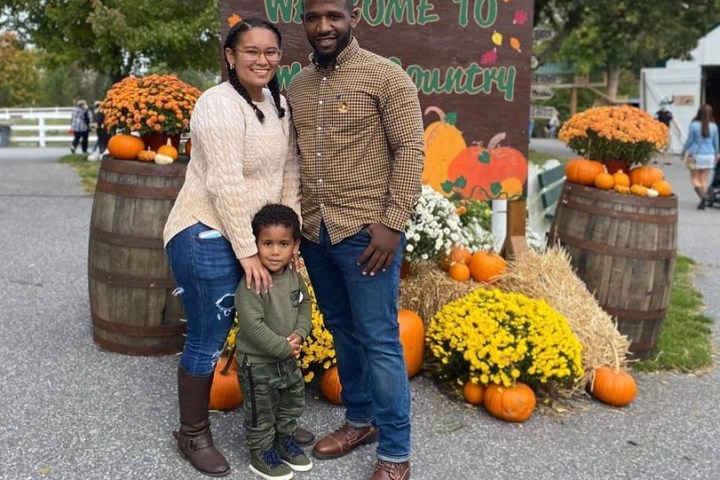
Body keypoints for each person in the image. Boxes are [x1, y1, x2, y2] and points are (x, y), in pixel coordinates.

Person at [287, 1, 424, 479]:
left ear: (352, 17)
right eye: (312, 18)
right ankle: (360, 421)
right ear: (303, 21)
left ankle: (395, 451)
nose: (323, 27)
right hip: (315, 231)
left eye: (333, 16)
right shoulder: (297, 85)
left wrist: (392, 223)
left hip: (366, 234)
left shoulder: (386, 77)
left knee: (380, 338)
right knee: (343, 331)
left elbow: (410, 148)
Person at [162, 17, 302, 477]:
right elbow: (224, 184)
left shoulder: (280, 103)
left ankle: (273, 420)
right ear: (230, 56)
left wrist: (288, 238)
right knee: (210, 334)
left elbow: (289, 174)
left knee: (269, 324)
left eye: (271, 52)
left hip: (255, 236)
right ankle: (193, 433)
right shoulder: (216, 104)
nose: (262, 60)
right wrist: (248, 253)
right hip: (204, 229)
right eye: (251, 51)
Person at [235, 204, 313, 480]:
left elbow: (305, 306)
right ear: (255, 243)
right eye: (267, 243)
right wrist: (283, 347)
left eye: (283, 244)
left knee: (291, 402)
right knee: (261, 411)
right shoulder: (253, 282)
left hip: (287, 360)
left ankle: (284, 440)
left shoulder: (293, 278)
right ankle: (262, 452)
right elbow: (252, 325)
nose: (275, 251)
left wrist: (301, 333)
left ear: (295, 245)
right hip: (258, 364)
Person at [681, 104, 719, 210]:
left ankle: (702, 196)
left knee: (694, 178)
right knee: (704, 179)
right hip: (709, 156)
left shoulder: (694, 125)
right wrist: (717, 154)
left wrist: (683, 151)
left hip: (694, 155)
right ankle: (705, 196)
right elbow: (716, 142)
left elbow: (689, 141)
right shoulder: (714, 126)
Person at [654, 100, 676, 165]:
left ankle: (666, 160)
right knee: (657, 145)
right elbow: (654, 122)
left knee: (667, 146)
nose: (663, 106)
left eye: (664, 104)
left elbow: (673, 121)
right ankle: (655, 159)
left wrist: (678, 130)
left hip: (667, 131)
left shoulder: (669, 113)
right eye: (662, 104)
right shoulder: (658, 113)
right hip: (659, 131)